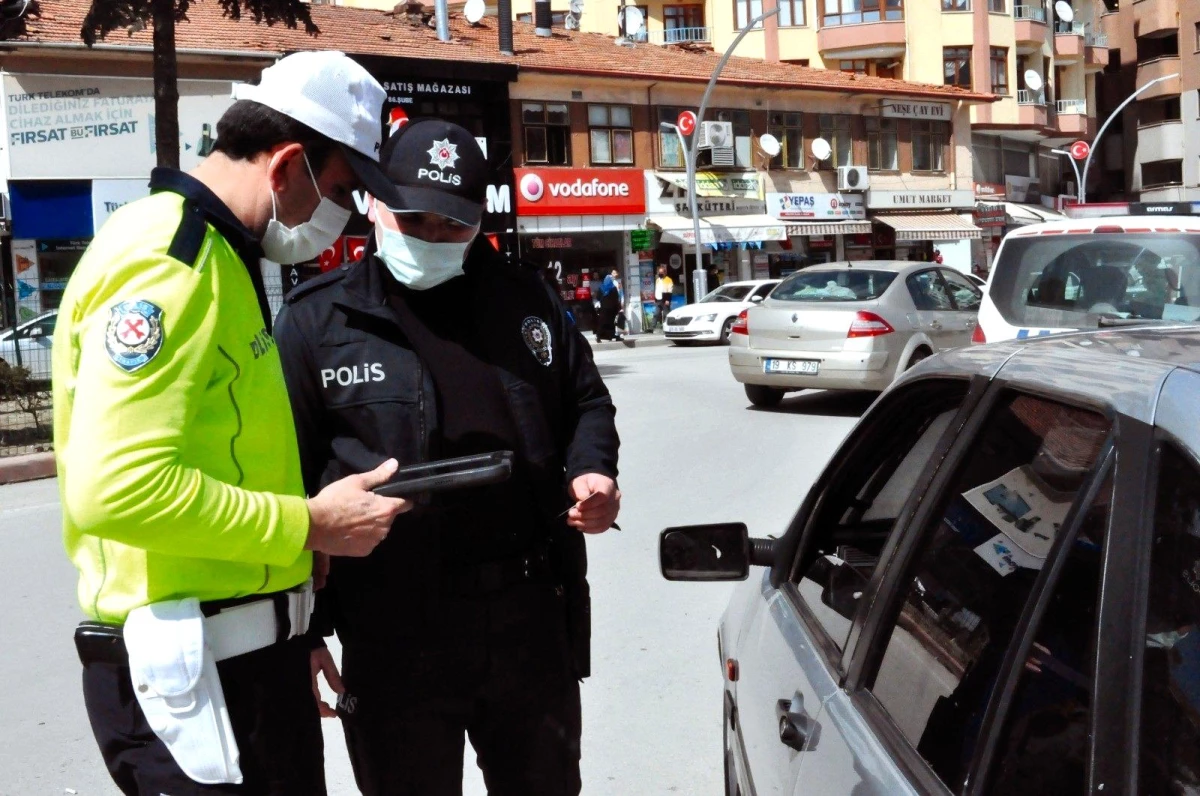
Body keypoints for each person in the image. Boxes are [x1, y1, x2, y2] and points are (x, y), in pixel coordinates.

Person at [53, 51, 413, 796]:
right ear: (285, 167)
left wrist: (292, 620)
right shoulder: (170, 263)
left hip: (243, 660)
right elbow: (117, 488)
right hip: (194, 679)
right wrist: (308, 524)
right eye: (340, 189)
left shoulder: (220, 254)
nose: (340, 216)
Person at [274, 118, 621, 796]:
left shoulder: (527, 300)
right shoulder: (317, 321)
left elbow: (586, 402)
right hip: (391, 626)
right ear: (375, 203)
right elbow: (287, 476)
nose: (433, 237)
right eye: (416, 220)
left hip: (527, 616)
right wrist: (305, 632)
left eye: (452, 226)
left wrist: (595, 470)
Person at [595, 267, 623, 342]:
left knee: (602, 323)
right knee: (611, 323)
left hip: (604, 309)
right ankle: (611, 335)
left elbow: (597, 297)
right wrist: (618, 308)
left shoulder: (601, 288)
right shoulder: (613, 288)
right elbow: (616, 298)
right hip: (612, 309)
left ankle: (599, 336)